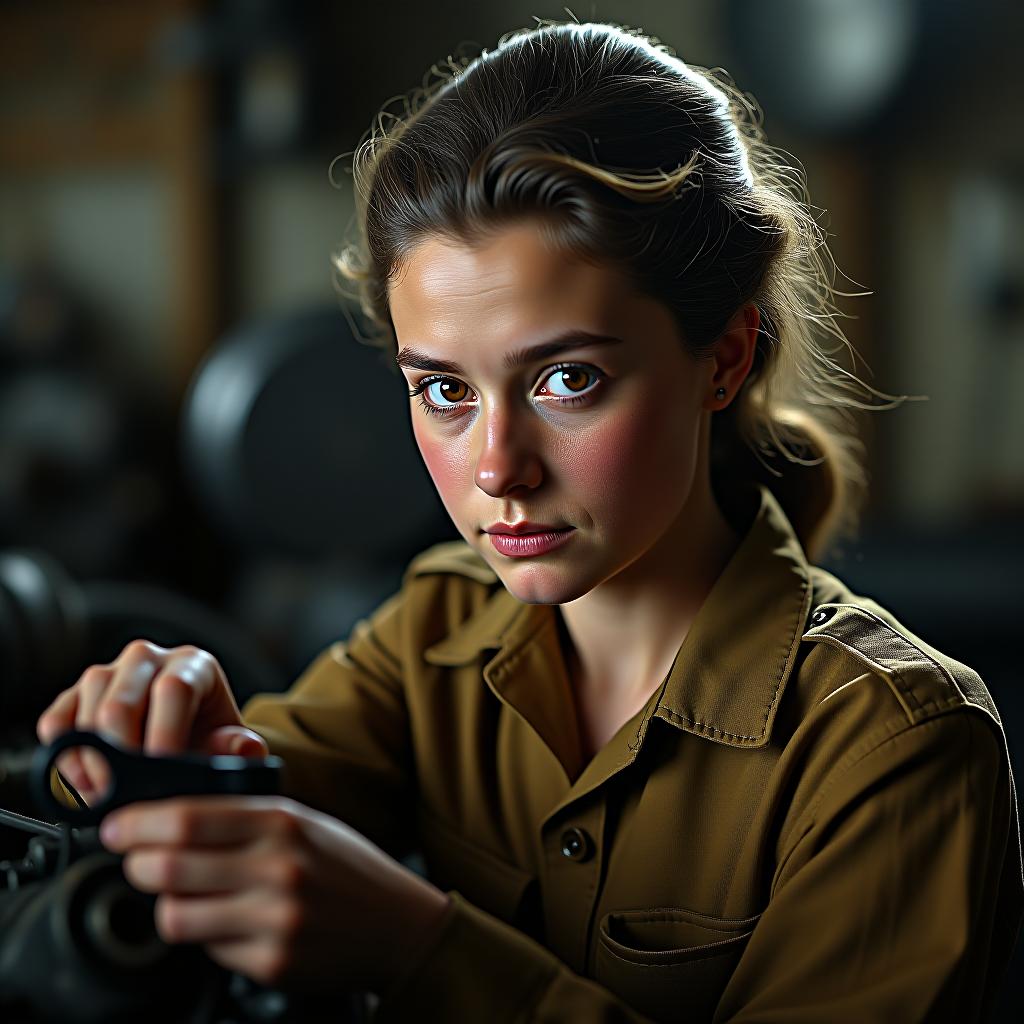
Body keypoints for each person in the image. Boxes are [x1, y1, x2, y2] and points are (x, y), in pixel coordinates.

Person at [37, 18, 1022, 1023]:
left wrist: (419, 945)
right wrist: (151, 750)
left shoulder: (895, 748)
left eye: (566, 379)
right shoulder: (433, 633)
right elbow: (232, 794)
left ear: (724, 359)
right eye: (444, 391)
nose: (498, 467)